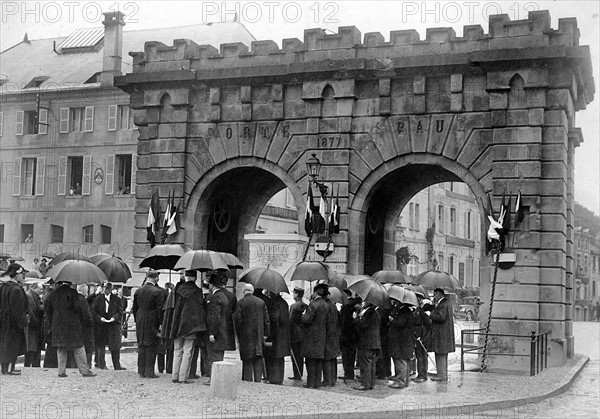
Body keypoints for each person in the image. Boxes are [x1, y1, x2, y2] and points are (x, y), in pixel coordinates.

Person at [45, 281, 96, 378]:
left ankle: (61, 371)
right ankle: (84, 370)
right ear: (71, 283)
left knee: (61, 348)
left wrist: (53, 320)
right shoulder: (73, 293)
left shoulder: (54, 293)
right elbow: (77, 307)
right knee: (78, 347)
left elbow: (47, 307)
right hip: (72, 324)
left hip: (58, 324)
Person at [168, 270, 205, 384]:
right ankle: (183, 378)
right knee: (187, 352)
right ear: (194, 278)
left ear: (186, 277)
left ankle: (174, 376)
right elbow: (200, 310)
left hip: (177, 324)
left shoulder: (177, 290)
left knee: (177, 350)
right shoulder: (197, 291)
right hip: (191, 326)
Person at [234, 283, 270, 382]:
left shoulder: (240, 303)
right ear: (252, 291)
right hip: (259, 334)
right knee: (258, 357)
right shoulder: (261, 302)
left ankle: (247, 379)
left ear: (244, 291)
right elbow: (266, 319)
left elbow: (237, 319)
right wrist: (266, 334)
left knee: (247, 359)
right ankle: (258, 379)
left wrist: (238, 333)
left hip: (245, 335)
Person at [132, 270, 165, 379]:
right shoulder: (157, 292)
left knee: (141, 344)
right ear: (156, 278)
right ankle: (149, 371)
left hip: (140, 317)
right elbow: (160, 309)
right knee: (151, 344)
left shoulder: (138, 291)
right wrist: (161, 323)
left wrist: (137, 319)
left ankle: (141, 370)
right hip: (152, 319)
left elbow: (134, 308)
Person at [0, 264, 28, 375]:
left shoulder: (3, 286)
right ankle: (10, 368)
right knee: (12, 345)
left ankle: (5, 368)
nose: (23, 276)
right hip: (13, 322)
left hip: (3, 320)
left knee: (4, 344)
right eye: (22, 274)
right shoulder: (16, 289)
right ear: (17, 275)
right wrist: (23, 322)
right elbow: (18, 309)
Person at [300, 283, 329, 389]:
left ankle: (310, 383)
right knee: (318, 361)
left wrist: (302, 315)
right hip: (321, 336)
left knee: (310, 361)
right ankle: (317, 382)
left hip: (311, 336)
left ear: (315, 292)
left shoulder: (313, 305)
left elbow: (307, 319)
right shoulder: (326, 305)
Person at [91, 282, 126, 370]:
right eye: (105, 288)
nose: (106, 290)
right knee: (101, 346)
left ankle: (116, 365)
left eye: (108, 288)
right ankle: (101, 365)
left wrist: (114, 318)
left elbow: (120, 312)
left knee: (115, 346)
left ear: (111, 289)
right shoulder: (98, 299)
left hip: (113, 326)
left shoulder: (117, 299)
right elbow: (93, 312)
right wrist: (100, 318)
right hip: (101, 326)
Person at [205, 272, 229, 384]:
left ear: (212, 285)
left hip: (217, 331)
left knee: (213, 356)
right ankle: (217, 378)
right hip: (223, 330)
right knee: (218, 356)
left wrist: (212, 333)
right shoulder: (223, 296)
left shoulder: (216, 297)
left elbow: (215, 316)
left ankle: (213, 379)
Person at [388, 299, 416, 389]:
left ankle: (401, 382)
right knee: (405, 362)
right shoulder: (407, 311)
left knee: (400, 361)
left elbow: (400, 323)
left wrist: (392, 319)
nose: (394, 302)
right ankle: (405, 381)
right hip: (405, 341)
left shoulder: (403, 311)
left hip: (401, 341)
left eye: (396, 301)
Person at [429, 288, 455, 382]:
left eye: (434, 295)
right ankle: (443, 374)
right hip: (444, 334)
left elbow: (441, 317)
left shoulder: (443, 304)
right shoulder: (446, 303)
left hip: (441, 334)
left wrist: (430, 314)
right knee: (443, 355)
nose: (434, 297)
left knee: (440, 354)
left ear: (439, 294)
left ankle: (441, 375)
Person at [353, 300, 381, 391]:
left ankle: (365, 384)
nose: (362, 303)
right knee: (372, 364)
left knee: (365, 364)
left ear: (368, 303)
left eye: (364, 302)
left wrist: (356, 318)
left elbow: (362, 325)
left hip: (366, 343)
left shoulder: (368, 313)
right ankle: (371, 383)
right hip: (374, 343)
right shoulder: (376, 313)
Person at [264, 289, 290, 385]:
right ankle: (279, 378)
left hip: (276, 333)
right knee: (280, 357)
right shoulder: (284, 302)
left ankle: (274, 379)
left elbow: (275, 317)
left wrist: (268, 313)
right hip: (284, 333)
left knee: (274, 356)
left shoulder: (275, 303)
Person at [339, 292, 361, 380]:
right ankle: (349, 373)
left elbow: (345, 321)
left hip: (346, 336)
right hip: (353, 336)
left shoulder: (347, 305)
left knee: (346, 356)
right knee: (351, 355)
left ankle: (348, 374)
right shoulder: (352, 304)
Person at [411, 292, 432, 383]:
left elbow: (428, 324)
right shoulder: (417, 310)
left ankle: (423, 375)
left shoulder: (423, 311)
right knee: (419, 355)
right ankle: (420, 374)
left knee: (422, 356)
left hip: (422, 336)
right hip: (417, 335)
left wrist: (423, 336)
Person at [322, 288, 341, 387]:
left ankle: (327, 380)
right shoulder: (333, 305)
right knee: (332, 358)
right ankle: (333, 379)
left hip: (328, 334)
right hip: (334, 334)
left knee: (327, 358)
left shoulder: (326, 305)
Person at [288, 287, 307, 380]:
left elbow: (290, 321)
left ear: (297, 294)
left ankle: (297, 374)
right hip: (303, 333)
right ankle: (300, 373)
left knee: (295, 355)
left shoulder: (294, 306)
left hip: (295, 333)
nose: (293, 294)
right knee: (300, 355)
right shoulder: (306, 305)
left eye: (294, 293)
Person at [24, 282, 44, 367]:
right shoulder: (29, 296)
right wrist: (36, 323)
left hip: (34, 327)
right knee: (31, 350)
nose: (41, 291)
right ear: (34, 288)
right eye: (40, 289)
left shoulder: (33, 296)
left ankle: (33, 365)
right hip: (33, 328)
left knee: (33, 349)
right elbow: (31, 312)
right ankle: (29, 366)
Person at [76, 284, 95, 368]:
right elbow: (87, 316)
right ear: (84, 291)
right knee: (87, 347)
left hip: (75, 328)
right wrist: (91, 322)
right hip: (85, 328)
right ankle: (87, 366)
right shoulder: (83, 300)